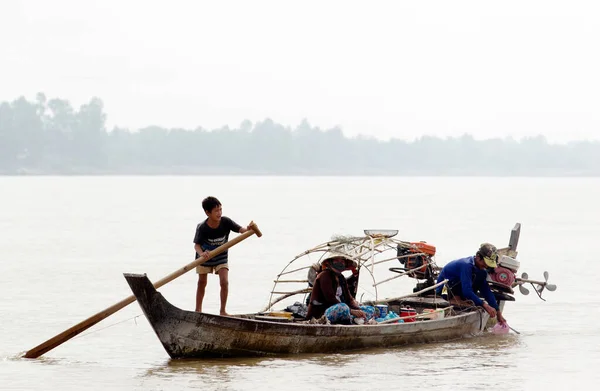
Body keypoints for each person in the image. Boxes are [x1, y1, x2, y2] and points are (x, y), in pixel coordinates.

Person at [193, 196, 250, 315]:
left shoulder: (226, 222)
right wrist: (202, 254)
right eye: (216, 211)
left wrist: (249, 230)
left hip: (221, 257)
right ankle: (198, 310)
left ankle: (222, 311)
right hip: (205, 257)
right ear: (207, 213)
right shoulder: (202, 227)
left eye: (220, 209)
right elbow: (197, 245)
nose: (219, 213)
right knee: (202, 283)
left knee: (224, 282)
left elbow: (241, 230)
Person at [436, 243, 507, 324]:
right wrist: (484, 305)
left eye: (488, 264)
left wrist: (498, 313)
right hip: (444, 291)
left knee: (480, 276)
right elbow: (467, 291)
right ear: (478, 257)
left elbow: (486, 291)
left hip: (458, 289)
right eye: (485, 263)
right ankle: (455, 299)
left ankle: (460, 298)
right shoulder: (466, 265)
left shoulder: (481, 271)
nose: (486, 266)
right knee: (466, 284)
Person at [306, 255, 374, 324]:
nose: (340, 263)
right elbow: (330, 299)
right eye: (336, 260)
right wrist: (352, 311)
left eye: (342, 261)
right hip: (322, 314)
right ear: (330, 262)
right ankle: (352, 319)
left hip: (344, 309)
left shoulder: (341, 278)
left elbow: (349, 299)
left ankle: (355, 319)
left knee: (370, 310)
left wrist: (358, 310)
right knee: (343, 308)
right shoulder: (324, 276)